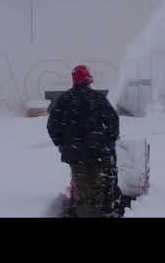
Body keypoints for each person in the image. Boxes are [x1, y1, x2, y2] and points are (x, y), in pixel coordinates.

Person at [47, 65, 124, 217]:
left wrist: (62, 143)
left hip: (76, 155)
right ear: (89, 80)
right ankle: (102, 212)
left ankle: (84, 212)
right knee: (99, 188)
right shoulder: (98, 98)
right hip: (98, 153)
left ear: (74, 80)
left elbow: (52, 125)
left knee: (82, 190)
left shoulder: (64, 100)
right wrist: (110, 139)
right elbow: (113, 120)